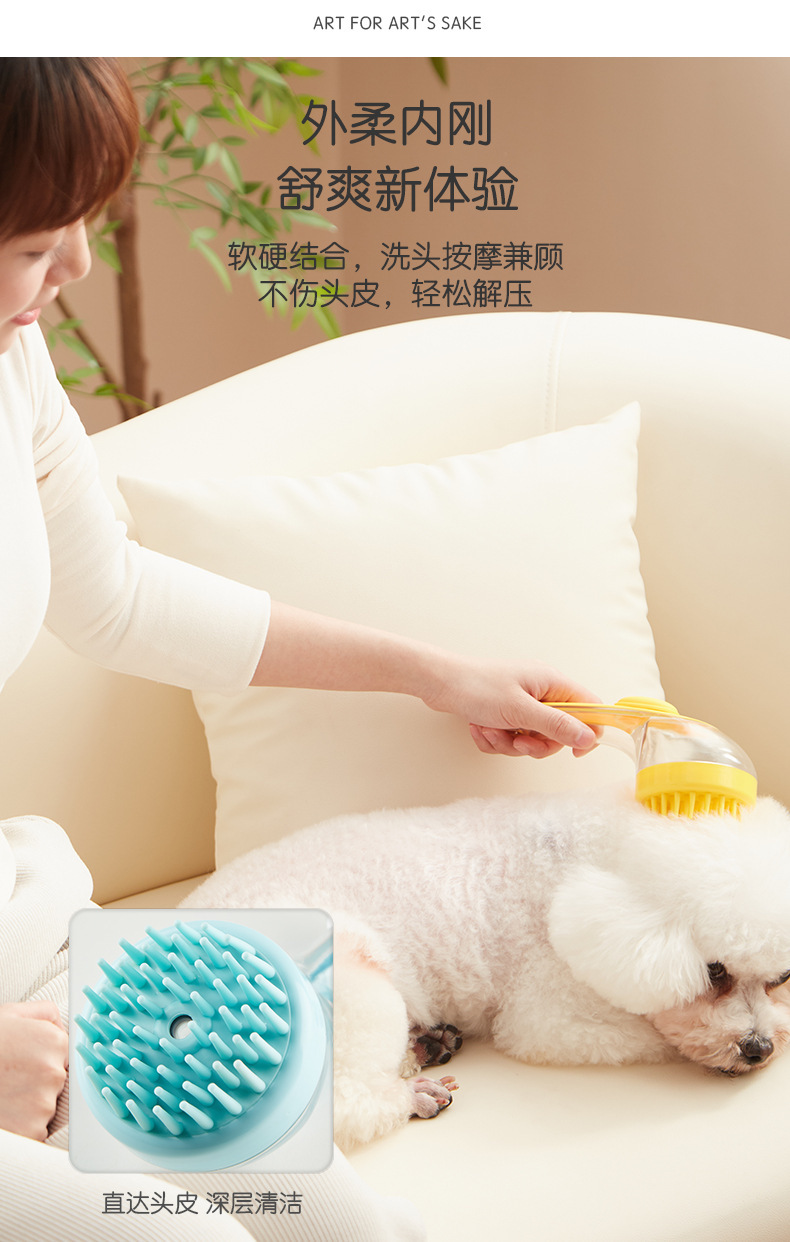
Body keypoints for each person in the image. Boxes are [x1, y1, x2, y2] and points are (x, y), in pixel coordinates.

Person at [0, 58, 599, 1241]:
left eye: (81, 223)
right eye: (31, 241)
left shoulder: (12, 361)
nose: (76, 267)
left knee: (348, 1226)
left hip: (22, 942)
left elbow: (116, 596)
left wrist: (435, 674)